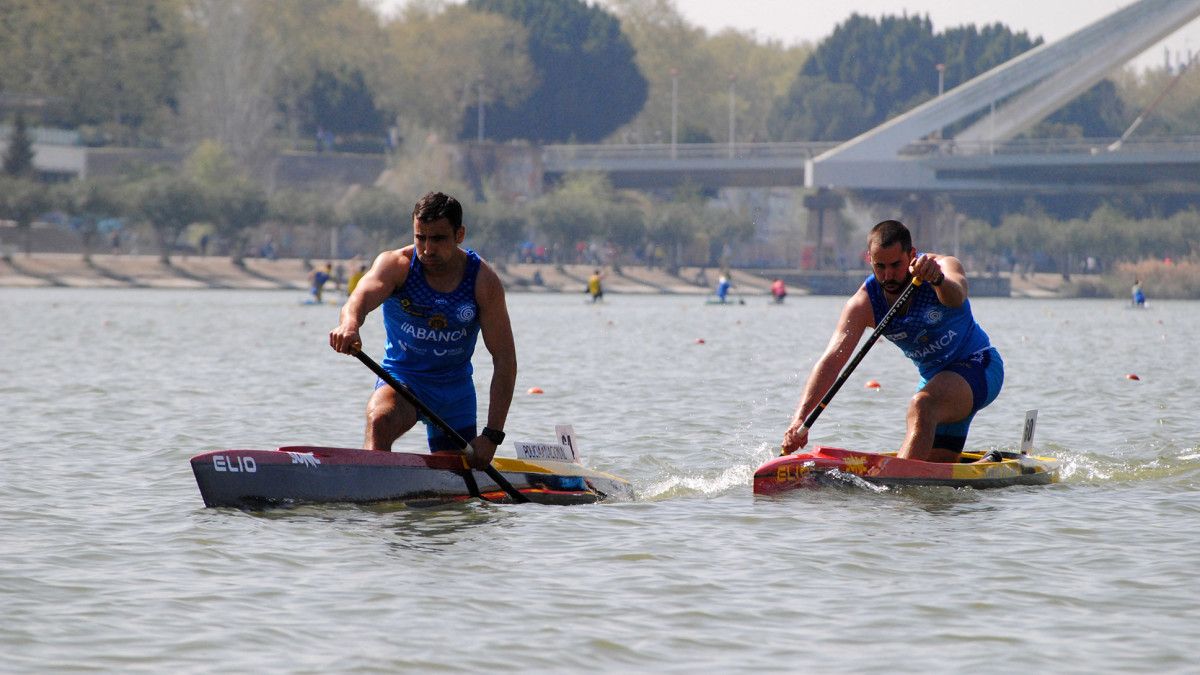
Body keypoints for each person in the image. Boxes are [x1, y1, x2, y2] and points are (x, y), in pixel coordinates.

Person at [782, 219, 1004, 463]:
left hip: (980, 366)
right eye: (880, 266)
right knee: (933, 474)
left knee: (921, 406)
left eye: (896, 265)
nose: (888, 275)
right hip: (937, 382)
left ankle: (896, 492)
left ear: (911, 254)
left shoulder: (941, 266)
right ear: (869, 259)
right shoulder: (864, 303)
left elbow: (957, 296)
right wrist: (800, 418)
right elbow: (832, 361)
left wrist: (938, 280)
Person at [328, 191, 516, 469]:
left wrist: (491, 436)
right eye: (420, 237)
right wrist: (349, 324)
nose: (427, 249)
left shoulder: (482, 280)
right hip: (404, 381)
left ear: (460, 234)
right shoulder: (396, 266)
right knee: (380, 420)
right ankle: (375, 496)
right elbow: (358, 299)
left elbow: (505, 360)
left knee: (457, 482)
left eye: (438, 239)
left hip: (455, 391)